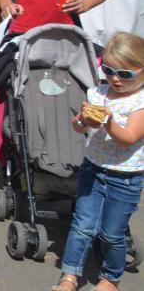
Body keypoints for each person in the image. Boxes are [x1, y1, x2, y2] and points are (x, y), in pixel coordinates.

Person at [52, 32, 144, 291]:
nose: (115, 78)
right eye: (109, 70)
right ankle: (69, 276)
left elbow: (129, 137)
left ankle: (110, 280)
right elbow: (79, 127)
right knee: (82, 225)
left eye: (125, 74)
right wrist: (83, 121)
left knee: (113, 233)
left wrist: (108, 121)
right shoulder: (98, 93)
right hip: (93, 168)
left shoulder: (140, 101)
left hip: (126, 177)